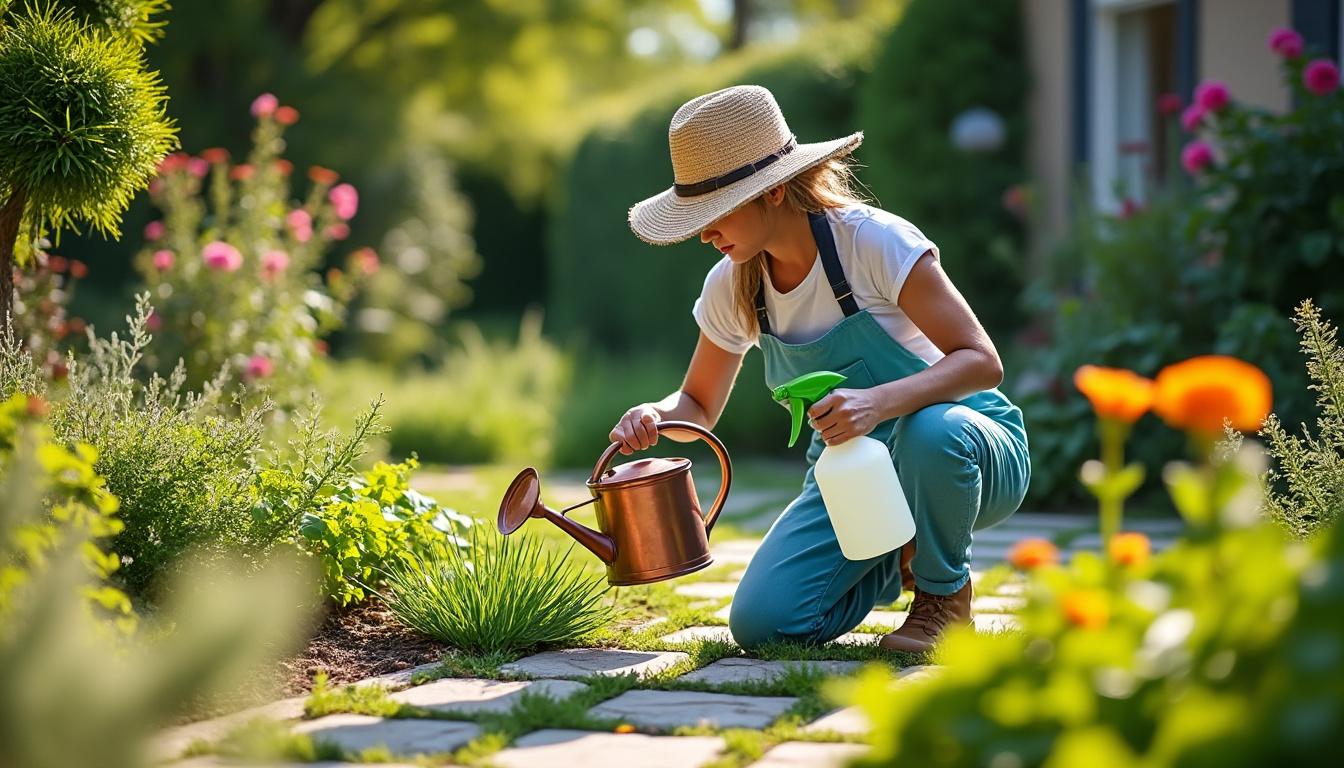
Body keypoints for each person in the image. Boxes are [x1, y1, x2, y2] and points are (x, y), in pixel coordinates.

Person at [612, 84, 1030, 653]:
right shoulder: (731, 285)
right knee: (763, 624)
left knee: (932, 432)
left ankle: (942, 598)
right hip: (854, 480)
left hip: (969, 451)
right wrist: (654, 417)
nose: (704, 233)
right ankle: (896, 550)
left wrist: (878, 403)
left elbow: (982, 362)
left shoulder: (873, 243)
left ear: (775, 190)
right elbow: (699, 407)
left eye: (715, 214)